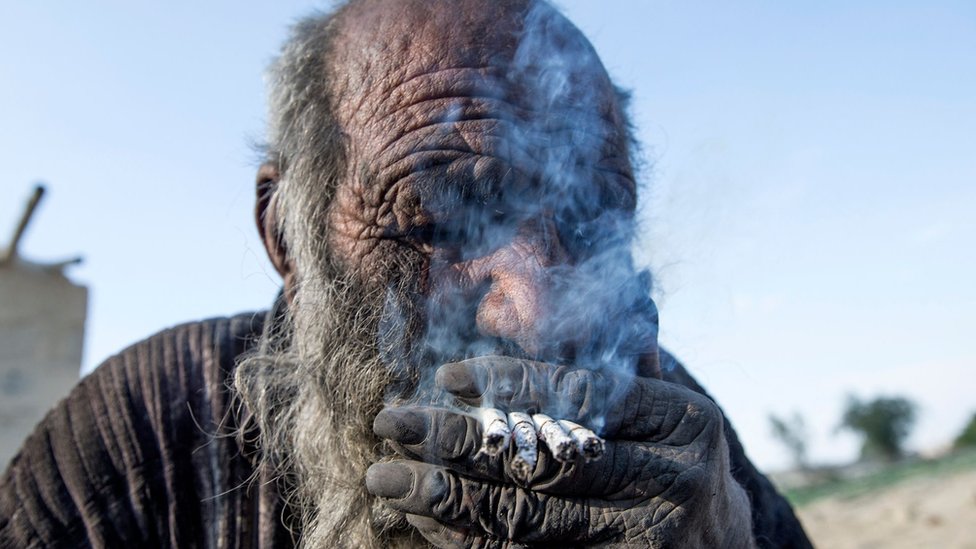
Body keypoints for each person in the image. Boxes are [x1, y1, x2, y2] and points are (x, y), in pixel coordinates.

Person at [0, 1, 812, 547]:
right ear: (287, 234)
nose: (536, 313)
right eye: (443, 218)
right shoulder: (145, 437)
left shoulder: (674, 445)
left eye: (590, 218)